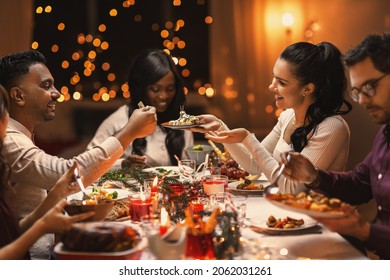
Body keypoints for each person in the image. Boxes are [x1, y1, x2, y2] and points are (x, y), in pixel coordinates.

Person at [0, 50, 157, 259]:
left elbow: (63, 178)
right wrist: (128, 133)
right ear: (18, 96)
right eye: (46, 86)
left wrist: (119, 165)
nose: (57, 93)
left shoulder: (21, 135)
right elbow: (66, 173)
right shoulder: (11, 140)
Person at [279, 33, 390, 260]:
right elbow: (358, 183)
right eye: (357, 92)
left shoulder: (334, 126)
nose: (363, 101)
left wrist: (367, 232)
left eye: (370, 87)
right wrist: (314, 176)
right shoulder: (384, 135)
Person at [193, 41, 352, 194]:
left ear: (307, 89)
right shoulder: (288, 116)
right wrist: (220, 127)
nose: (271, 86)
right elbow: (254, 165)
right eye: (274, 77)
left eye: (282, 82)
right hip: (290, 214)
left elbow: (291, 189)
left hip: (319, 218)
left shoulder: (332, 127)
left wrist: (248, 139)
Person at [0, 84, 94, 260]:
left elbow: (13, 234)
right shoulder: (13, 143)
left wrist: (55, 196)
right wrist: (42, 227)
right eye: (4, 111)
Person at [86, 48, 194, 168]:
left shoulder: (181, 122)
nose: (164, 96)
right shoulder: (118, 121)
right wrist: (122, 164)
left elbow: (188, 167)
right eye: (155, 89)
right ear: (141, 88)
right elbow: (87, 166)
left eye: (170, 89)